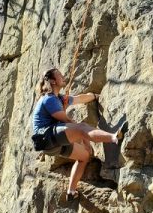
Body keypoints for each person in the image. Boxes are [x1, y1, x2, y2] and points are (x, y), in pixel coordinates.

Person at [32, 68, 123, 199]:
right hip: (46, 136)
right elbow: (66, 120)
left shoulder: (60, 98)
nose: (63, 76)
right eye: (59, 75)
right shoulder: (49, 99)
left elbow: (79, 99)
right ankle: (113, 137)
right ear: (52, 81)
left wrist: (95, 96)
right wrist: (85, 139)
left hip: (53, 144)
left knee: (84, 157)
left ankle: (71, 192)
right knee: (82, 127)